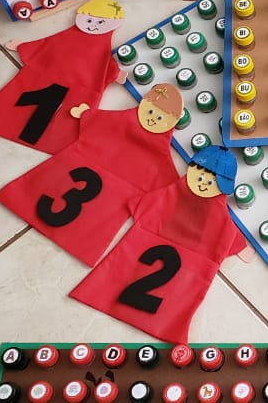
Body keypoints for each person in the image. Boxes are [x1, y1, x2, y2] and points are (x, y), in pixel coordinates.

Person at [70, 146, 249, 343]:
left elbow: (135, 204)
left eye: (209, 181)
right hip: (167, 311)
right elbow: (230, 238)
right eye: (200, 177)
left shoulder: (165, 196)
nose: (203, 184)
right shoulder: (221, 222)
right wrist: (241, 248)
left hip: (121, 273)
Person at [0, 84, 184, 265]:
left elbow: (92, 117)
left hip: (46, 188)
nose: (153, 119)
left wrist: (85, 113)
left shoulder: (113, 123)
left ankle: (23, 196)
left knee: (30, 193)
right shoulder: (159, 161)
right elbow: (169, 188)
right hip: (86, 234)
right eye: (151, 112)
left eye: (160, 117)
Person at [0, 0, 126, 154]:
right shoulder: (68, 36)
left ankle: (9, 126)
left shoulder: (99, 46)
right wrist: (23, 46)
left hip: (72, 88)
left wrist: (115, 73)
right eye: (90, 20)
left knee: (56, 118)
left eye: (100, 22)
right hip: (52, 82)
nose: (92, 25)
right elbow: (48, 44)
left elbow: (47, 45)